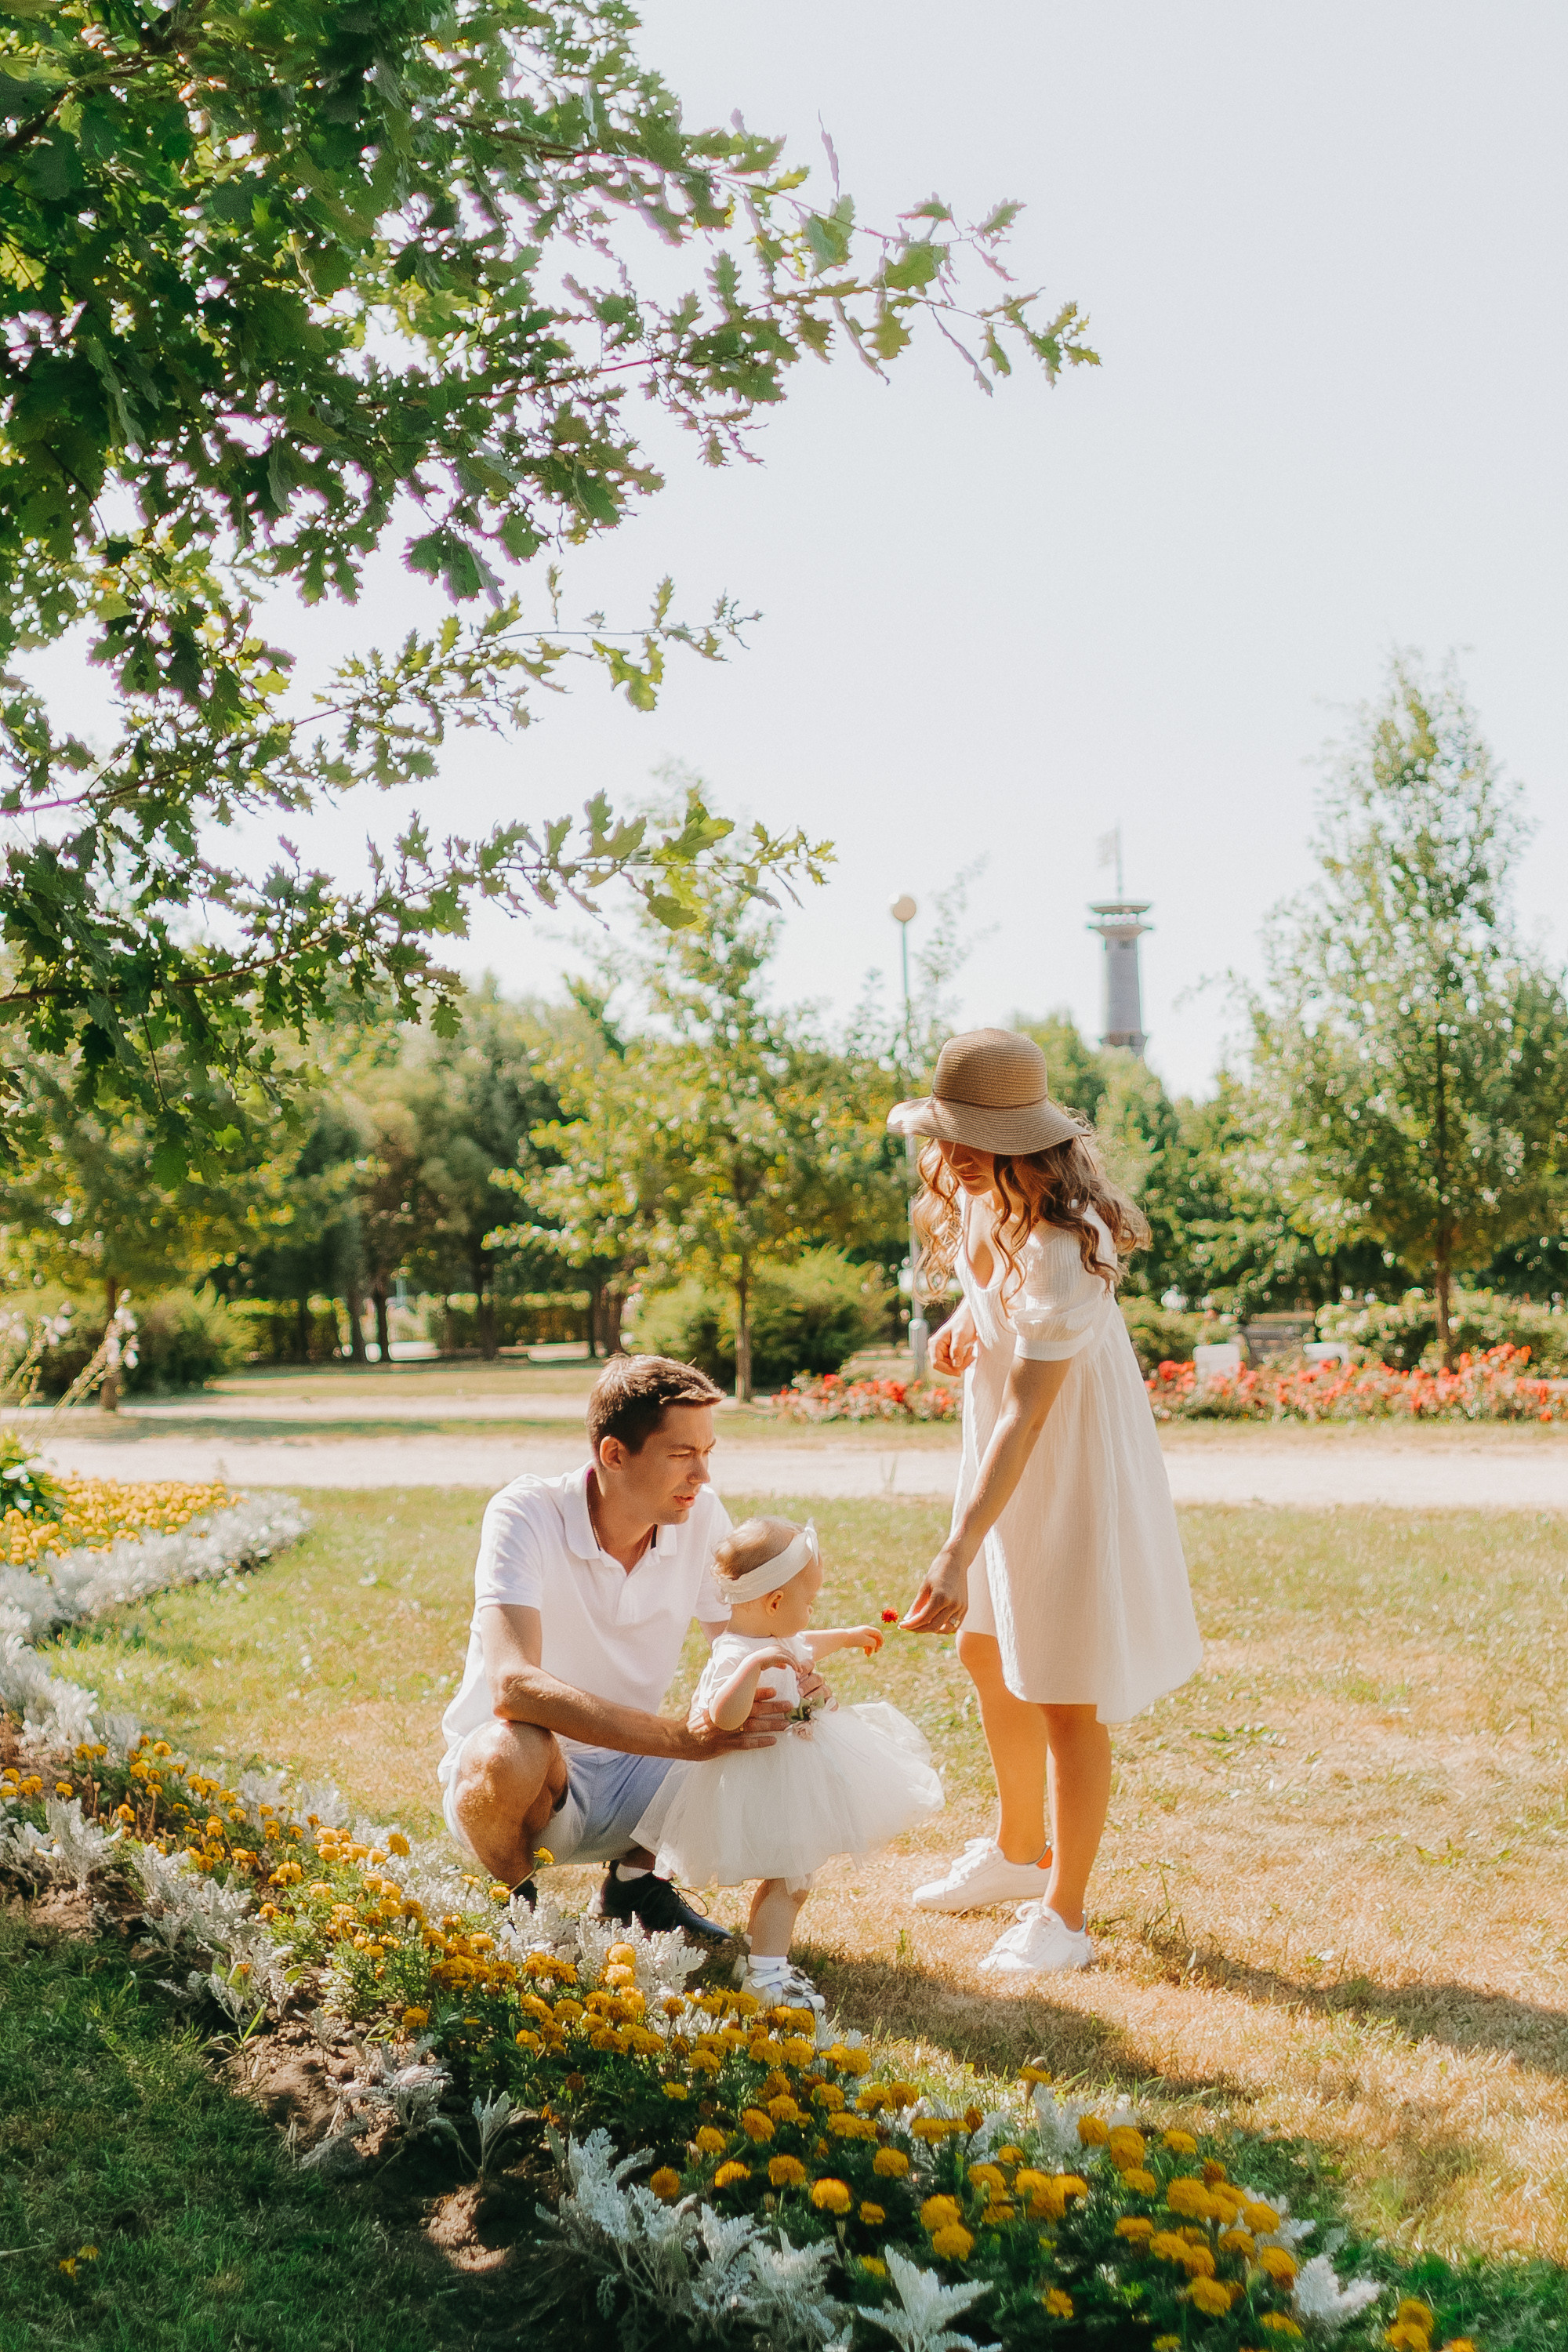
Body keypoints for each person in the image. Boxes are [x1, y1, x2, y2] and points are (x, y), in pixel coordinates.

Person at [889, 1027, 1203, 1976]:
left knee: (1063, 1687)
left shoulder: (1067, 1242)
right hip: (1002, 1445)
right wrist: (959, 1323)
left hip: (1058, 1463)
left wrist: (953, 1548)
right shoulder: (995, 1198)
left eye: (965, 1136)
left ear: (1020, 1139)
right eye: (945, 1133)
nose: (945, 1156)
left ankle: (1062, 1918)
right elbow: (998, 1302)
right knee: (986, 1649)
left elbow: (1028, 1420)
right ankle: (1018, 1853)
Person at [437, 1353, 814, 1943]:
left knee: (753, 1722)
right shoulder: (527, 1512)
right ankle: (521, 1912)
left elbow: (743, 1642)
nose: (703, 1476)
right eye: (682, 1455)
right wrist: (680, 1740)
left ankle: (636, 1889)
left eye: (707, 1453)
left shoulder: (702, 1515)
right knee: (510, 1747)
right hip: (531, 1782)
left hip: (639, 1780)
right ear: (614, 1454)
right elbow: (511, 1684)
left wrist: (795, 1675)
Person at [633, 1515, 943, 2009]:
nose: (812, 1609)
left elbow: (806, 1645)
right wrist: (752, 1670)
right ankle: (765, 1976)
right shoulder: (735, 1653)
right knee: (790, 1879)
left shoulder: (778, 1636)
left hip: (792, 1777)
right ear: (776, 1603)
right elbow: (722, 1717)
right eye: (810, 1601)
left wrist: (845, 1636)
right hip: (759, 1786)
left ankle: (764, 1963)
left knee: (794, 1880)